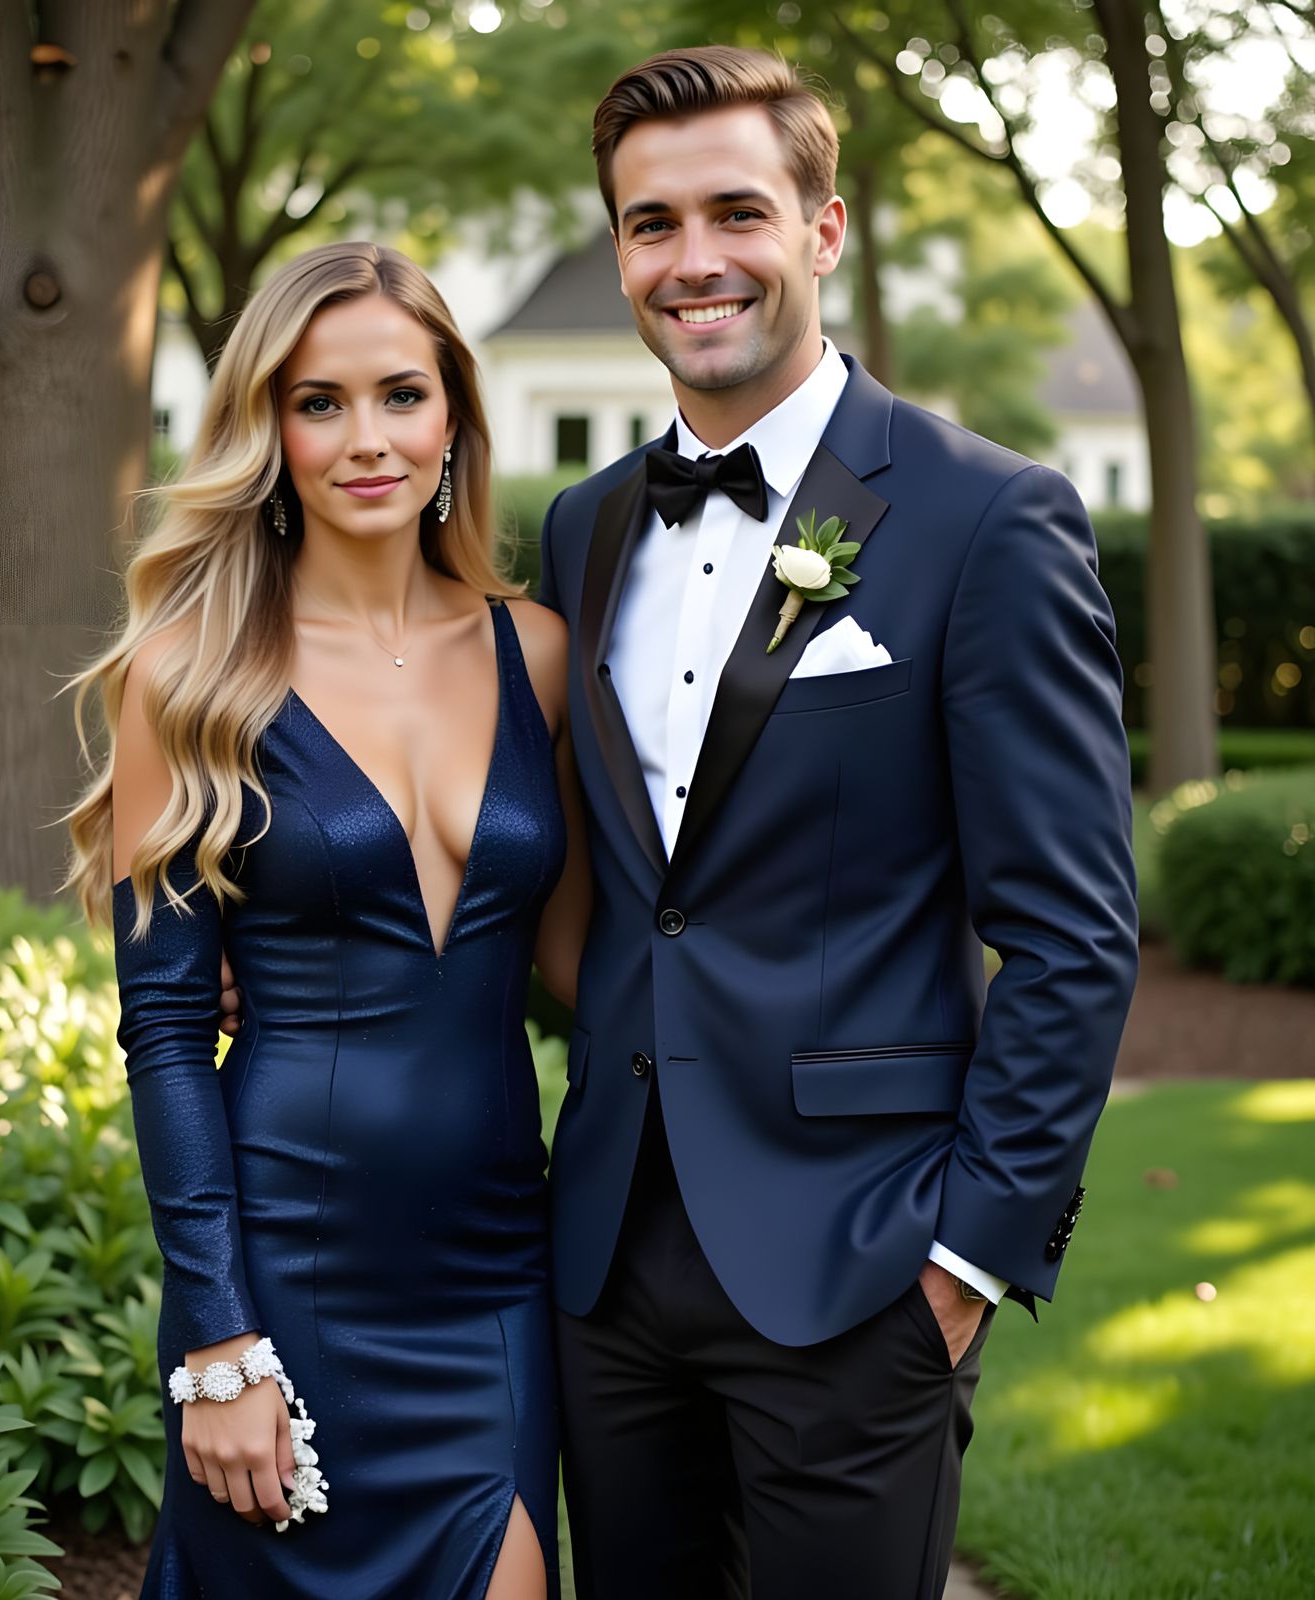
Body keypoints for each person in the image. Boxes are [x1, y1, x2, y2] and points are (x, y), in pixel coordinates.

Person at [529, 46, 1139, 1598]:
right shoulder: (586, 526)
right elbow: (591, 873)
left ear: (824, 229)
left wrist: (971, 1261)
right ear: (618, 254)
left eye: (738, 210)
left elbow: (1073, 935)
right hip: (608, 1262)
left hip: (863, 1270)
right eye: (650, 224)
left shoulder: (986, 517)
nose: (694, 260)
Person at [64, 241, 588, 1600]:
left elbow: (594, 959)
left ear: (456, 419)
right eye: (320, 403)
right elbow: (168, 1030)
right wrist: (217, 1343)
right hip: (287, 1269)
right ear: (270, 430)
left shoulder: (537, 652)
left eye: (403, 396)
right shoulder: (190, 673)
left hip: (493, 1267)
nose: (369, 439)